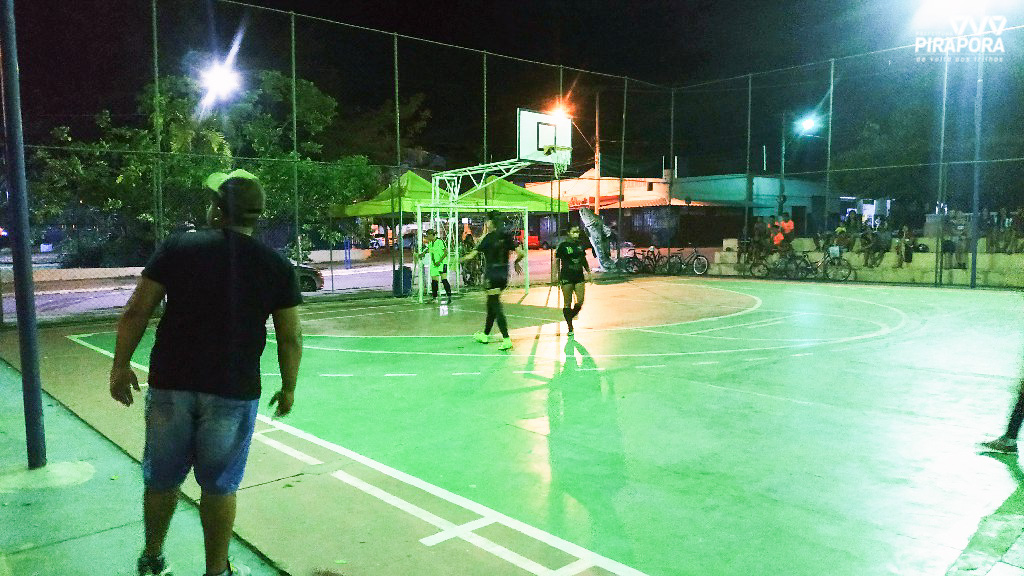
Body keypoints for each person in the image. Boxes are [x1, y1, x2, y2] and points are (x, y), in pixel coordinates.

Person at [109, 169, 303, 576]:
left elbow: (137, 310)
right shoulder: (276, 266)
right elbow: (290, 338)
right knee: (219, 486)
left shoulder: (179, 247)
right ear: (256, 215)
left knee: (161, 479)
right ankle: (217, 571)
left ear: (217, 211)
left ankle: (152, 559)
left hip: (171, 384)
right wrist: (288, 387)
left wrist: (120, 365)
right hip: (233, 390)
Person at [459, 211, 525, 350]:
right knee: (491, 304)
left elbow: (471, 256)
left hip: (492, 275)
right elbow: (521, 253)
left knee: (495, 305)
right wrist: (516, 262)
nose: (486, 223)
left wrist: (459, 260)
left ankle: (506, 338)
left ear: (491, 222)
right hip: (504, 275)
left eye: (487, 221)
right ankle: (485, 334)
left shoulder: (488, 238)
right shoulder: (506, 236)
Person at [555, 225, 593, 337]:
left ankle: (570, 316)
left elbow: (583, 259)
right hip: (566, 276)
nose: (576, 234)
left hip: (579, 276)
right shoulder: (563, 245)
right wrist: (557, 275)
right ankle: (570, 327)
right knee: (567, 302)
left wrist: (588, 272)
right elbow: (557, 260)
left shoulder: (580, 245)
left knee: (580, 301)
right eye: (574, 232)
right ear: (568, 233)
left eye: (577, 232)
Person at [417, 229, 452, 303]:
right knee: (434, 281)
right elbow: (428, 249)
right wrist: (423, 253)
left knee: (444, 279)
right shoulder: (431, 243)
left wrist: (439, 261)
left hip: (442, 263)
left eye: (427, 235)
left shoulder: (440, 241)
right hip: (434, 264)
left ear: (431, 235)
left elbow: (446, 252)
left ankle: (449, 297)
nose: (427, 237)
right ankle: (434, 298)